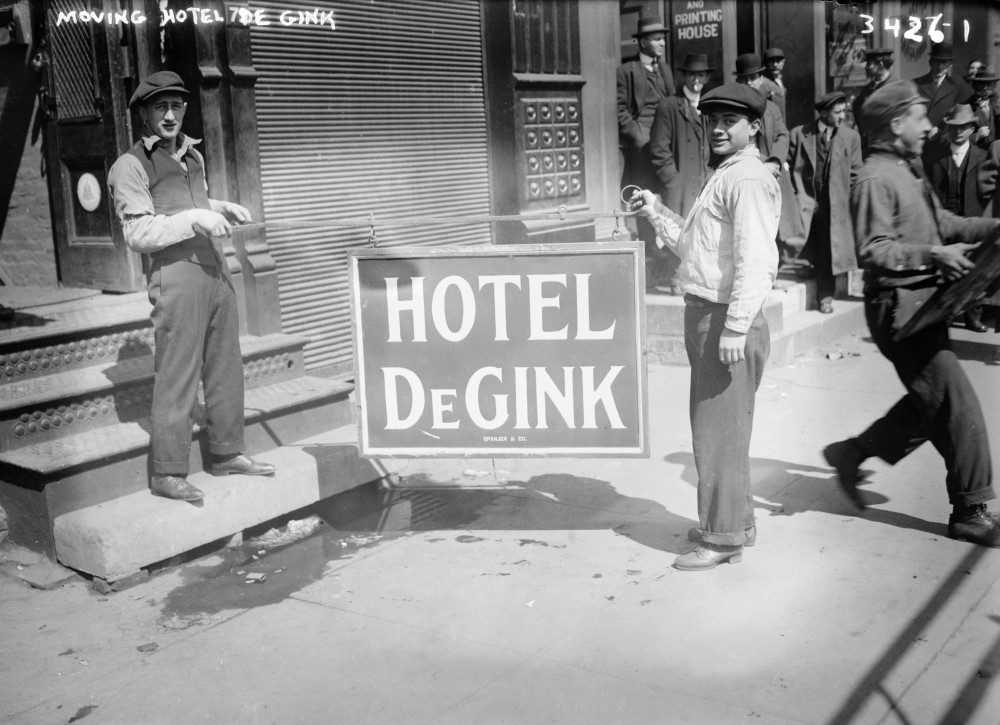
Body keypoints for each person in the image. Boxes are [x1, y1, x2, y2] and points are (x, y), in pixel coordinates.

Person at [824, 80, 1000, 548]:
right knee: (957, 405)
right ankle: (970, 509)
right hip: (899, 313)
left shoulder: (908, 170)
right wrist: (933, 256)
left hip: (924, 306)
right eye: (921, 118)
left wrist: (994, 227)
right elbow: (874, 250)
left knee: (931, 404)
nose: (930, 126)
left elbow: (945, 224)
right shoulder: (874, 178)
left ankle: (851, 452)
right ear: (896, 123)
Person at [631, 83, 780, 571]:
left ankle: (721, 540)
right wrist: (657, 214)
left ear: (754, 127)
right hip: (708, 315)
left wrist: (735, 328)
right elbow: (698, 252)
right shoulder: (726, 175)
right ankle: (738, 523)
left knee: (716, 435)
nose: (717, 129)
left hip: (724, 320)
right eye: (711, 119)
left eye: (729, 122)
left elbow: (757, 262)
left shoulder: (749, 179)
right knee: (726, 433)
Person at [108, 70, 276, 502]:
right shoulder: (129, 165)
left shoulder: (192, 155)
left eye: (177, 106)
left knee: (225, 364)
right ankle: (166, 472)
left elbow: (191, 205)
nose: (170, 115)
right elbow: (138, 234)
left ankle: (226, 453)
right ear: (143, 113)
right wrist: (194, 219)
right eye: (160, 107)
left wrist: (220, 207)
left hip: (213, 270)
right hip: (176, 276)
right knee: (178, 373)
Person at [789, 91, 863, 314]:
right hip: (807, 201)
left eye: (844, 111)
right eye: (838, 112)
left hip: (835, 204)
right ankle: (804, 270)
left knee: (828, 251)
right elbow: (789, 167)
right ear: (823, 113)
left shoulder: (851, 138)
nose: (843, 116)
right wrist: (796, 195)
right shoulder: (800, 135)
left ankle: (825, 297)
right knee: (806, 243)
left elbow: (855, 174)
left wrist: (847, 202)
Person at [616, 15, 676, 285]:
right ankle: (649, 246)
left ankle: (672, 244)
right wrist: (639, 137)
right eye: (656, 38)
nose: (662, 42)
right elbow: (619, 111)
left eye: (663, 37)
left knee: (672, 192)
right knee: (642, 195)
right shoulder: (627, 71)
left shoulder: (665, 70)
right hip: (642, 147)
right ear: (641, 42)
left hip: (666, 143)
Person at [922, 102, 990, 331]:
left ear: (972, 129)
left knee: (975, 267)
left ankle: (973, 315)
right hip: (946, 223)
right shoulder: (934, 158)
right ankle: (946, 314)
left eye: (963, 127)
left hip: (973, 220)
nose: (957, 132)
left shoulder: (983, 157)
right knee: (948, 270)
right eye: (953, 127)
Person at [734, 53, 805, 263]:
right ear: (739, 82)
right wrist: (762, 163)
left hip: (773, 172)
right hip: (750, 175)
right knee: (753, 228)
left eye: (753, 78)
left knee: (779, 225)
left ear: (761, 79)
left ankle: (776, 265)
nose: (750, 83)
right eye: (744, 79)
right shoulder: (734, 109)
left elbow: (783, 135)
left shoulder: (772, 107)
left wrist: (775, 160)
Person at [649, 53, 711, 224]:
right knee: (679, 238)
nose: (696, 79)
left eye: (701, 75)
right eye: (692, 74)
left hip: (706, 187)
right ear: (684, 76)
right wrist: (673, 182)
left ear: (706, 78)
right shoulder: (668, 106)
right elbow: (659, 151)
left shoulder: (711, 107)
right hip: (680, 190)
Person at [911, 41, 969, 136]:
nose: (940, 66)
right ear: (930, 62)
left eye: (944, 62)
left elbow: (959, 114)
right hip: (920, 137)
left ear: (950, 64)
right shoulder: (916, 84)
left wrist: (940, 128)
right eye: (936, 61)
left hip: (945, 138)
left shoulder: (958, 85)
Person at [852, 47, 894, 152]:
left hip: (890, 149)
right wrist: (863, 131)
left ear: (880, 65)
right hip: (871, 148)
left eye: (869, 64)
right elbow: (856, 105)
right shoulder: (868, 89)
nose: (866, 67)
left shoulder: (896, 87)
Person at [965, 66, 1000, 149]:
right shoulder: (964, 107)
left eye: (989, 84)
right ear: (974, 85)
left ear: (994, 86)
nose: (985, 88)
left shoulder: (997, 107)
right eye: (980, 84)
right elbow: (947, 138)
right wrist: (975, 136)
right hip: (974, 157)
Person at [761, 47, 787, 120]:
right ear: (765, 64)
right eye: (771, 61)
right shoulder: (763, 82)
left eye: (778, 61)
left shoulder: (780, 79)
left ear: (783, 62)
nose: (775, 64)